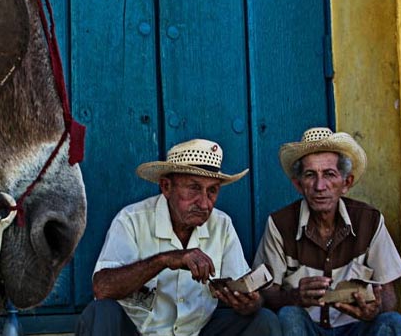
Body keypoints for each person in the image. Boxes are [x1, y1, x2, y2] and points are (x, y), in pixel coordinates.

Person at [79, 138, 282, 336]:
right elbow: (102, 288)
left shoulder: (222, 225)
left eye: (212, 191)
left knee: (263, 320)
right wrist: (165, 260)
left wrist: (250, 303)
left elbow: (242, 285)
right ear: (166, 187)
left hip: (197, 332)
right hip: (139, 332)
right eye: (194, 188)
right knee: (101, 312)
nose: (204, 204)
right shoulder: (131, 221)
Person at [256, 127, 401, 336]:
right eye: (310, 175)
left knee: (393, 322)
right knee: (288, 316)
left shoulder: (369, 221)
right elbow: (267, 293)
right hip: (306, 329)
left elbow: (389, 297)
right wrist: (294, 297)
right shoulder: (279, 224)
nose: (320, 186)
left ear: (345, 183)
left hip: (356, 328)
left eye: (330, 174)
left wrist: (373, 310)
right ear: (298, 184)